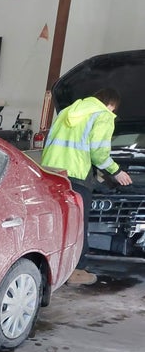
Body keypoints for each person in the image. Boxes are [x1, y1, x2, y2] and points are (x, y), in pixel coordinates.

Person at [41, 88, 132, 285]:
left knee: (58, 223)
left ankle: (53, 269)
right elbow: (99, 153)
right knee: (78, 225)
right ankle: (77, 271)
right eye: (114, 110)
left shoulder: (67, 111)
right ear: (111, 105)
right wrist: (117, 172)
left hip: (51, 173)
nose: (113, 114)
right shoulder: (103, 115)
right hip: (76, 176)